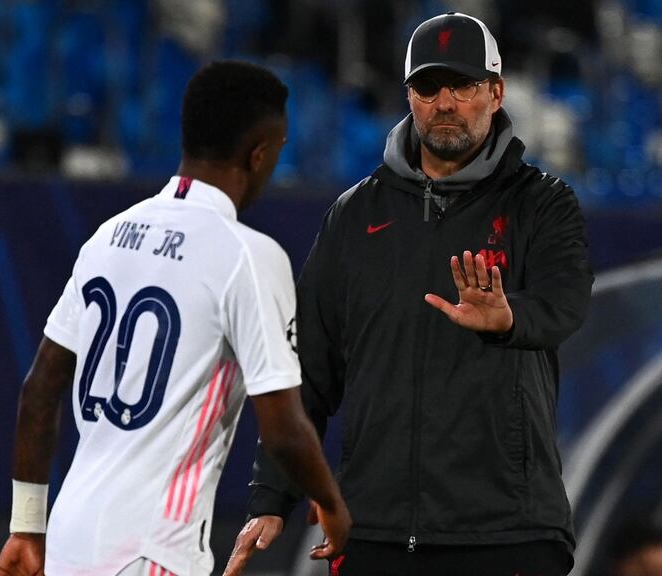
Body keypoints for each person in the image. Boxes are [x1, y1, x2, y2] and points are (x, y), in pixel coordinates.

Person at [225, 12, 592, 576]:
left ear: (496, 93)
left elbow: (565, 302)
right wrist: (272, 496)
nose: (444, 102)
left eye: (463, 85)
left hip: (506, 532)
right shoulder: (353, 216)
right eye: (428, 86)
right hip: (375, 530)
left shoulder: (541, 203)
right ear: (409, 97)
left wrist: (510, 316)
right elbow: (309, 371)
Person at [0, 61, 350, 576]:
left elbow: (40, 389)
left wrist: (27, 527)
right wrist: (331, 505)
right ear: (259, 154)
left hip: (68, 539)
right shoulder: (248, 255)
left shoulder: (108, 235)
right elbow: (283, 429)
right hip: (152, 549)